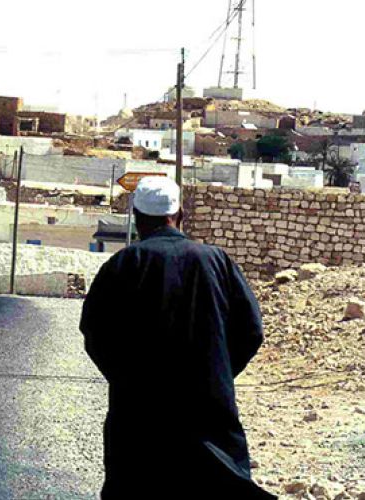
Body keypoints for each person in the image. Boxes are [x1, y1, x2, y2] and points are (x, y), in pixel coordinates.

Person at [80, 177, 274, 500]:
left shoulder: (121, 265)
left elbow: (95, 334)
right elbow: (251, 330)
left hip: (138, 422)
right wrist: (218, 373)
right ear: (180, 215)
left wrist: (129, 379)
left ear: (138, 219)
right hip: (209, 420)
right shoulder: (217, 261)